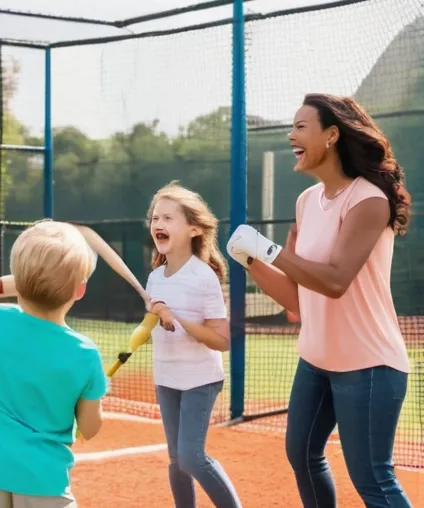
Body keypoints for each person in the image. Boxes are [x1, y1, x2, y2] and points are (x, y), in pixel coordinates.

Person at [226, 93, 412, 507]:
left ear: (331, 135)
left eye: (300, 127)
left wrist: (269, 250)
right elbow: (297, 298)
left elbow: (334, 281)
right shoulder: (307, 201)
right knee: (303, 455)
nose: (291, 135)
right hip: (316, 359)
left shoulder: (369, 200)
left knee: (373, 479)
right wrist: (250, 263)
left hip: (368, 365)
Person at [0, 220, 107, 508]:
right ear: (80, 290)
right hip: (45, 482)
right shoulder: (85, 353)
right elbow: (90, 426)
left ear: (17, 282)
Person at [144, 181, 243, 508]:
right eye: (155, 218)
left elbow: (222, 340)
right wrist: (152, 321)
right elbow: (156, 323)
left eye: (168, 218)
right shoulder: (155, 277)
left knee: (191, 457)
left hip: (200, 380)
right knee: (176, 461)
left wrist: (178, 319)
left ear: (194, 229)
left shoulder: (204, 277)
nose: (158, 224)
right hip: (166, 378)